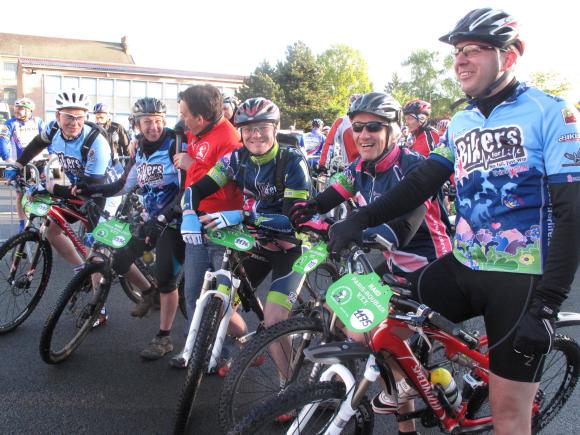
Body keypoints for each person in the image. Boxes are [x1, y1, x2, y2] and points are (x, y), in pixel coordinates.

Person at [326, 8, 580, 435]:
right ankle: (438, 385)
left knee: (509, 415)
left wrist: (549, 304)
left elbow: (573, 211)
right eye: (458, 52)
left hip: (520, 280)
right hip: (463, 265)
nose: (459, 60)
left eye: (474, 50)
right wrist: (361, 218)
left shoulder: (552, 113)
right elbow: (422, 182)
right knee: (383, 322)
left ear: (509, 57)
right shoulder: (461, 121)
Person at [290, 92, 452, 434]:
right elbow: (332, 195)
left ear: (393, 130)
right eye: (358, 127)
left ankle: (425, 381)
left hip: (430, 264)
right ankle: (410, 392)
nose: (363, 134)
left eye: (374, 127)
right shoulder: (360, 167)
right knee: (370, 335)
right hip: (395, 264)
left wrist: (358, 231)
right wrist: (308, 210)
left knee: (374, 335)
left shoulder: (413, 167)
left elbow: (404, 227)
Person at [180, 97, 311, 347]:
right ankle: (250, 348)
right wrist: (188, 213)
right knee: (218, 305)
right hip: (256, 242)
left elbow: (291, 221)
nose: (255, 135)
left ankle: (287, 385)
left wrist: (242, 216)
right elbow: (195, 190)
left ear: (275, 127)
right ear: (240, 131)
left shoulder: (292, 160)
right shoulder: (236, 159)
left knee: (273, 324)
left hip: (289, 246)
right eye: (249, 129)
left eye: (263, 127)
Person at [4, 89, 129, 327]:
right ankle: (79, 271)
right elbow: (36, 145)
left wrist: (51, 188)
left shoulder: (96, 141)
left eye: (80, 117)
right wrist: (18, 164)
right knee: (52, 231)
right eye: (69, 117)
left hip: (105, 189)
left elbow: (92, 187)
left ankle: (98, 308)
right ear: (58, 115)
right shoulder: (52, 129)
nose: (75, 122)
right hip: (79, 184)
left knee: (95, 248)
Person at [77, 97, 185, 360]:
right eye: (147, 122)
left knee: (167, 281)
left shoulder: (175, 144)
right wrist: (91, 189)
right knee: (120, 256)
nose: (154, 127)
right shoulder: (140, 150)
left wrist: (162, 219)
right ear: (136, 124)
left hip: (175, 223)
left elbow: (185, 189)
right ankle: (149, 293)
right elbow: (124, 184)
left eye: (159, 121)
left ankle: (164, 338)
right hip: (150, 221)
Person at [168, 84, 243, 368]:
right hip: (196, 223)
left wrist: (192, 165)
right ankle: (192, 352)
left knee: (221, 296)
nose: (182, 119)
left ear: (200, 118)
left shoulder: (229, 139)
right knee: (193, 293)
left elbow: (224, 189)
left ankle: (222, 353)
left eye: (185, 114)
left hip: (223, 228)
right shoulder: (197, 132)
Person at [0, 97, 47, 231]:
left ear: (29, 110)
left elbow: (48, 138)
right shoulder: (10, 123)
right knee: (20, 193)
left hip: (39, 163)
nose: (17, 111)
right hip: (20, 164)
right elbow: (2, 141)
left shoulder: (38, 121)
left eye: (20, 109)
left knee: (43, 192)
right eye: (15, 108)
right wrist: (8, 159)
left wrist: (51, 153)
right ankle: (22, 222)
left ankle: (44, 221)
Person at [319, 94, 361, 169]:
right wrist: (323, 164)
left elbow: (329, 143)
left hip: (355, 168)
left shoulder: (342, 121)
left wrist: (323, 164)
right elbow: (329, 143)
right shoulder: (342, 121)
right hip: (353, 168)